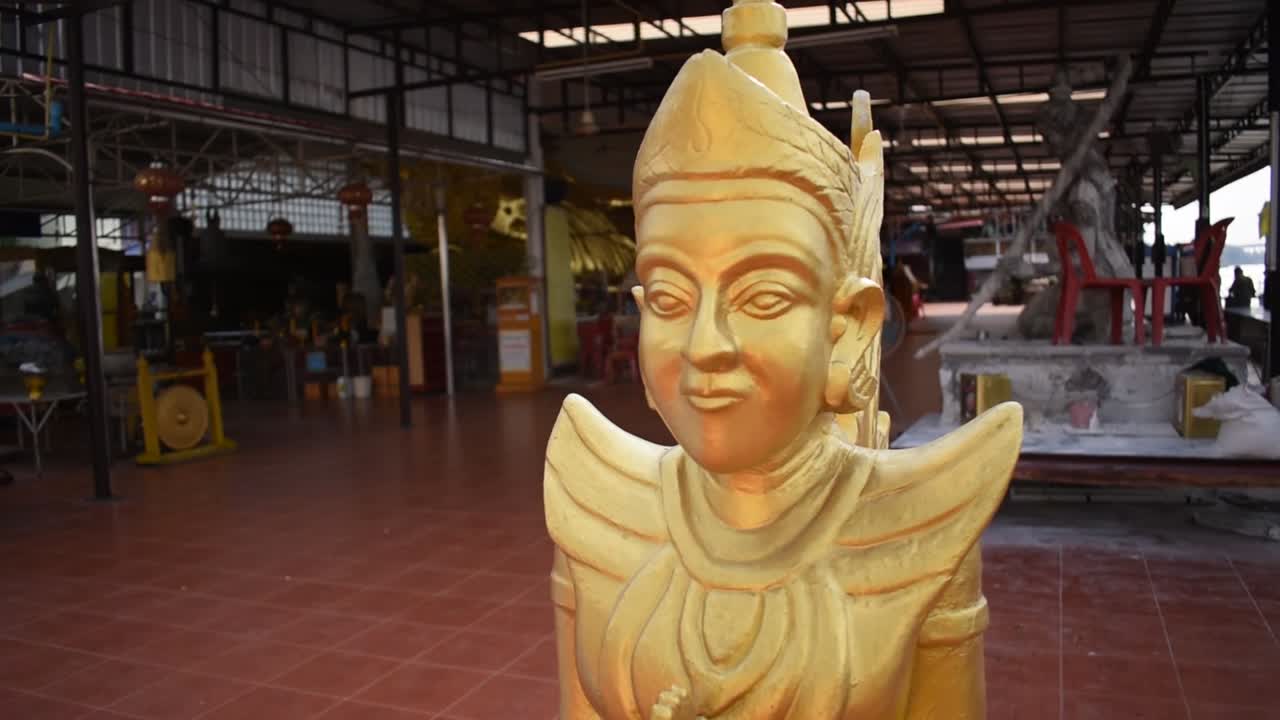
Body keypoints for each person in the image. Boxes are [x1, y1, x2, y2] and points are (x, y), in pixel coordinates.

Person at [542, 5, 1022, 718]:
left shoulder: (919, 531)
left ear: (848, 330)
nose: (706, 344)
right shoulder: (596, 507)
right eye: (670, 298)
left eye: (763, 296)